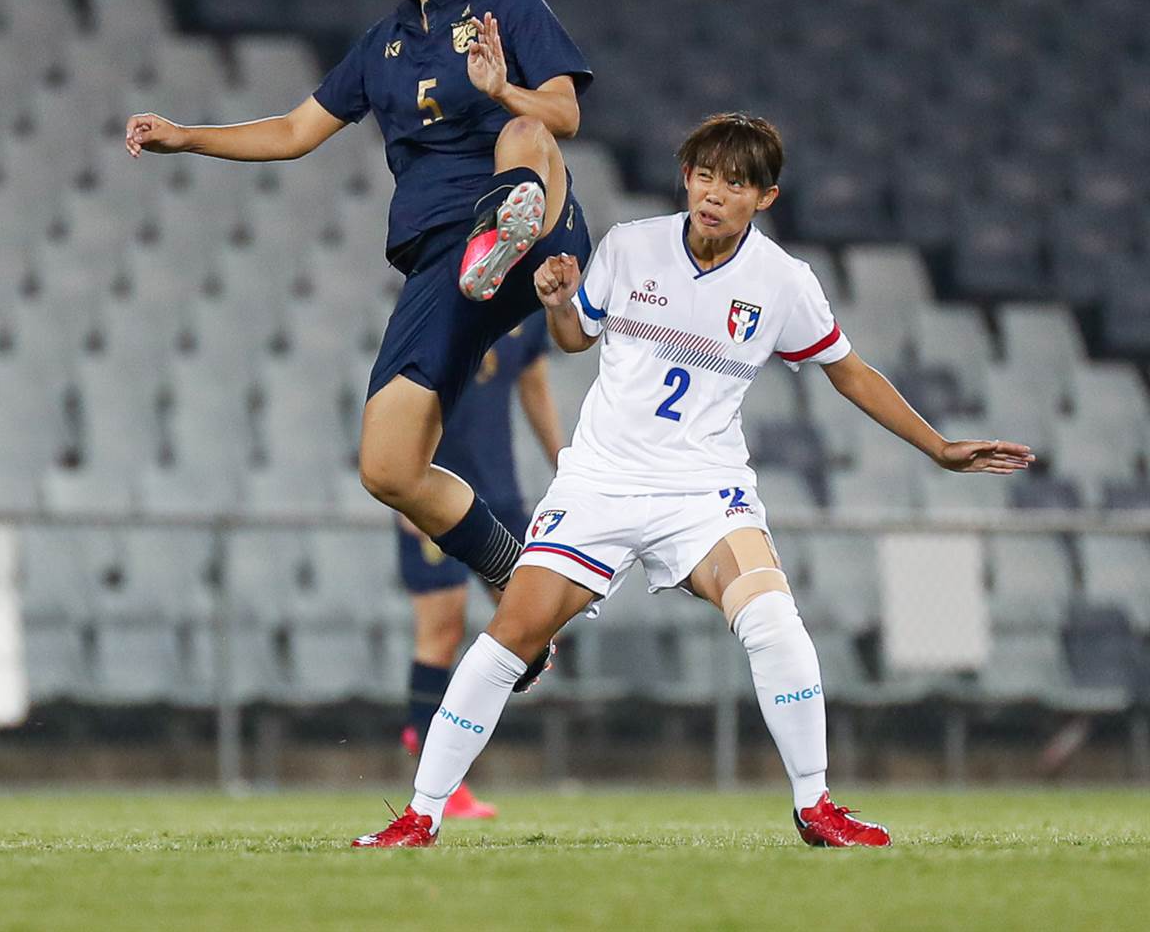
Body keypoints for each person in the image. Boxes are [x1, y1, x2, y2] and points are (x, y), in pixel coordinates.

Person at [353, 113, 1034, 849]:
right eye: (704, 175)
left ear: (764, 197)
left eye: (735, 182)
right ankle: (422, 813)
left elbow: (850, 371)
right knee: (511, 635)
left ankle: (817, 805)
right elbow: (576, 338)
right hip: (602, 483)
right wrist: (557, 299)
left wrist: (936, 446)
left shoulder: (782, 283)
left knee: (773, 617)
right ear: (687, 177)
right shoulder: (631, 246)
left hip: (704, 491)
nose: (713, 193)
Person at [125, 0, 593, 687]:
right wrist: (187, 135)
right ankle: (511, 576)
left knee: (523, 134)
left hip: (538, 224)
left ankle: (509, 226)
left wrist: (501, 91)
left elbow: (561, 110)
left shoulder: (511, 7)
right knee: (387, 464)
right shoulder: (381, 44)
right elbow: (295, 132)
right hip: (444, 267)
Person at [395, 319, 562, 821]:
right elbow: (402, 394)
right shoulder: (446, 296)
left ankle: (433, 731)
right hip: (434, 491)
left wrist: (570, 465)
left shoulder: (531, 312)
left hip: (501, 496)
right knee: (442, 630)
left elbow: (534, 390)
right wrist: (405, 490)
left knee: (530, 626)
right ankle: (434, 766)